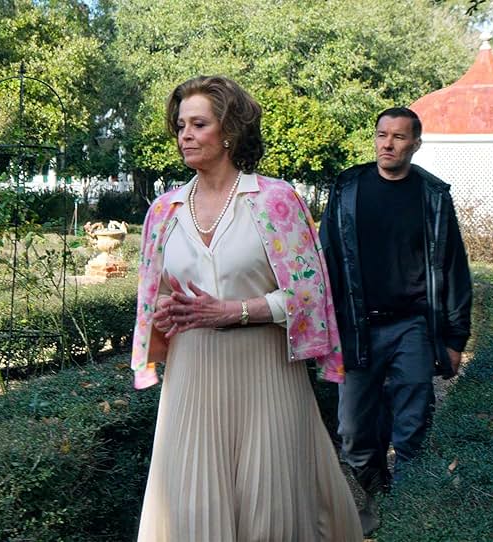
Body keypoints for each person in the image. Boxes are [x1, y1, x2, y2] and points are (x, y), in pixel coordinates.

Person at [131, 75, 363, 542]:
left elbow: (311, 295)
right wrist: (164, 311)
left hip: (266, 374)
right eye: (181, 125)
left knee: (271, 510)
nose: (185, 135)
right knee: (192, 509)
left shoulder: (277, 201)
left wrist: (235, 311)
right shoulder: (164, 211)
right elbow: (155, 295)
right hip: (192, 376)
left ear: (230, 132)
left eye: (199, 124)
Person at [319, 107, 472, 535]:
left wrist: (455, 338)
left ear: (415, 144)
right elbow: (326, 258)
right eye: (382, 134)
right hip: (357, 326)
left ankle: (404, 517)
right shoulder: (348, 187)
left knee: (412, 428)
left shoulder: (433, 195)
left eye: (399, 137)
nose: (387, 144)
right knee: (353, 434)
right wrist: (323, 327)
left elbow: (453, 266)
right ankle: (378, 496)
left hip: (413, 327)